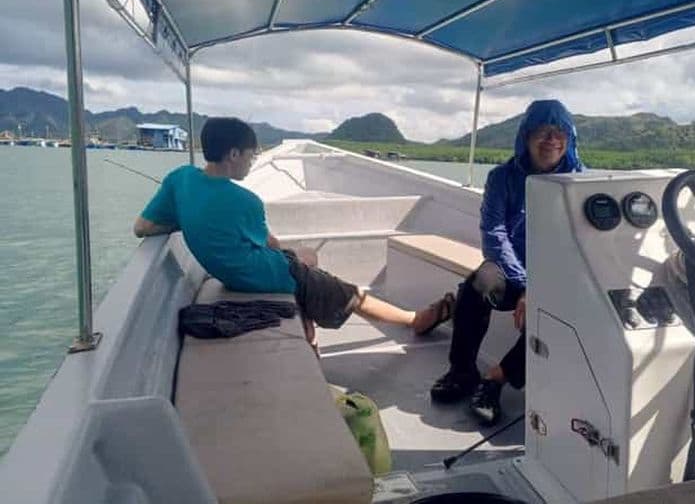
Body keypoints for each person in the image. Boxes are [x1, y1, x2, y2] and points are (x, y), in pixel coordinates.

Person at [134, 117, 446, 349]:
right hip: (260, 276)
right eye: (250, 154)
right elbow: (272, 246)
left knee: (308, 256)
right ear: (232, 155)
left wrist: (187, 217)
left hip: (232, 274)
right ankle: (413, 320)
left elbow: (143, 227)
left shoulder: (180, 179)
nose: (252, 160)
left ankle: (308, 319)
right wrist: (293, 259)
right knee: (351, 294)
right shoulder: (245, 200)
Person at [430, 100, 584, 425]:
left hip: (556, 279)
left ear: (569, 139)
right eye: (542, 132)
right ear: (526, 137)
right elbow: (494, 234)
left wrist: (541, 286)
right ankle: (462, 371)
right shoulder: (502, 178)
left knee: (561, 310)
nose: (551, 140)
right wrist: (525, 283)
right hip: (511, 274)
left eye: (559, 133)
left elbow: (581, 243)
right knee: (478, 283)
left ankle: (495, 380)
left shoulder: (580, 184)